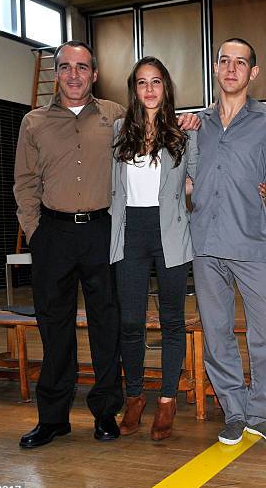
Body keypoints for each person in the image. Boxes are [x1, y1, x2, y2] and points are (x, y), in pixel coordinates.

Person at [14, 41, 198, 448]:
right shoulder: (34, 122)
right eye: (66, 67)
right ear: (57, 73)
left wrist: (188, 123)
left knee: (108, 326)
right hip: (54, 235)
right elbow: (25, 182)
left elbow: (181, 162)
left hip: (103, 231)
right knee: (54, 327)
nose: (74, 74)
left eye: (82, 67)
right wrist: (36, 232)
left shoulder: (115, 116)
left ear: (95, 74)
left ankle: (105, 413)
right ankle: (53, 418)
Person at [191, 38, 266, 446]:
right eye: (224, 61)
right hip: (205, 243)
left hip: (250, 242)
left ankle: (262, 413)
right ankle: (234, 411)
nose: (232, 68)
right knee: (216, 333)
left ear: (253, 73)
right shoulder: (196, 124)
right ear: (216, 68)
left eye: (241, 63)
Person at [110, 56, 198, 440]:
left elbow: (195, 183)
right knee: (130, 322)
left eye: (156, 82)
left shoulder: (183, 133)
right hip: (129, 232)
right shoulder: (117, 130)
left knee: (172, 320)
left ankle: (166, 400)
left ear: (166, 88)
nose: (149, 89)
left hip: (170, 234)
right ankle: (133, 398)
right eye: (142, 82)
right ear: (134, 89)